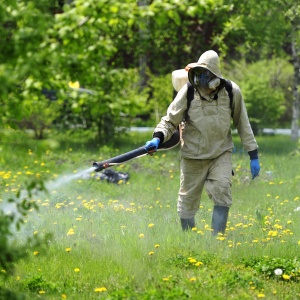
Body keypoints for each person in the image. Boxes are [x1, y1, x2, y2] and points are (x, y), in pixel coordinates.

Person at [144, 50, 260, 235]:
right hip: (193, 155)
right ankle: (190, 240)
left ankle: (217, 239)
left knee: (222, 190)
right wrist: (157, 138)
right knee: (187, 202)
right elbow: (170, 120)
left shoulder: (231, 91)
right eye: (198, 73)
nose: (201, 78)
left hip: (220, 153)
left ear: (214, 74)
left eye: (205, 73)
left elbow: (242, 123)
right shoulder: (188, 91)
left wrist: (252, 154)